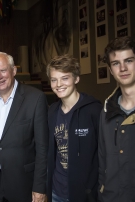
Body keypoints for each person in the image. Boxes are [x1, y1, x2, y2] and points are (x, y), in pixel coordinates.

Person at [0, 51, 49, 202]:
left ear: (14, 70)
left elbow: (43, 148)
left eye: (3, 70)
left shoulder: (35, 98)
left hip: (23, 185)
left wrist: (40, 187)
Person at [98, 36, 135, 202]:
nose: (122, 68)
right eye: (116, 63)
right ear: (111, 70)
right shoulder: (106, 109)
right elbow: (103, 161)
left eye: (129, 61)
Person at [46, 55, 102, 202]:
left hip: (85, 194)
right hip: (56, 192)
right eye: (54, 79)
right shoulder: (52, 111)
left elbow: (105, 154)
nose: (58, 84)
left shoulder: (94, 110)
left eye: (65, 78)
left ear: (76, 79)